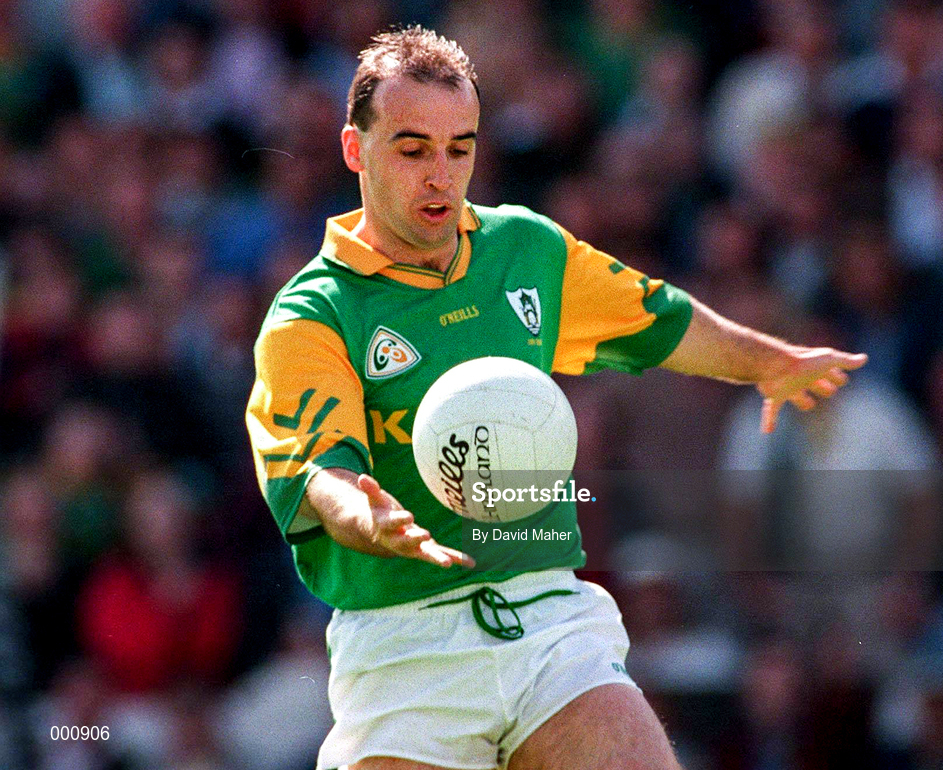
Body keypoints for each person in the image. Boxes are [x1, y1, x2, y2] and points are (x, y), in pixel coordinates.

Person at [244, 26, 866, 770]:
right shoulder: (313, 314)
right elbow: (320, 477)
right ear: (355, 149)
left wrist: (767, 362)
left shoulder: (524, 249)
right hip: (404, 647)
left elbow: (656, 318)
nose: (440, 174)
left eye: (460, 147)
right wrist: (369, 516)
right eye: (412, 150)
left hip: (546, 618)